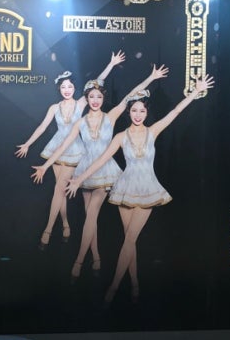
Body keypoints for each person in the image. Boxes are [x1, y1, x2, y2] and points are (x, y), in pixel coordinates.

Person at [66, 75, 214, 306]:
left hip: (147, 189)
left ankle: (114, 287)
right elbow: (100, 160)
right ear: (129, 112)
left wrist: (196, 92)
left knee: (130, 238)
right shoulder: (120, 137)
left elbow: (175, 112)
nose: (137, 114)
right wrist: (78, 180)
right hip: (125, 188)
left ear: (146, 113)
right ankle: (134, 282)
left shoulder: (153, 131)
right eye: (134, 111)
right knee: (129, 240)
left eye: (141, 111)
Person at [32, 64, 168, 281]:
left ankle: (79, 261)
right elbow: (63, 145)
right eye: (92, 97)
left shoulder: (111, 116)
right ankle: (96, 257)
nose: (95, 100)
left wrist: (151, 78)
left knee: (92, 213)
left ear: (103, 99)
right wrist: (45, 166)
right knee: (89, 217)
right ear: (87, 98)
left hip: (106, 170)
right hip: (85, 170)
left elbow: (131, 95)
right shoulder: (80, 122)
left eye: (99, 97)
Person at [16, 52, 125, 249]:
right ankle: (66, 224)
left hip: (75, 150)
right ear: (59, 89)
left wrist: (110, 64)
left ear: (75, 88)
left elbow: (97, 82)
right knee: (60, 191)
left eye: (70, 86)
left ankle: (48, 230)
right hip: (57, 148)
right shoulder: (54, 107)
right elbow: (42, 127)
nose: (67, 90)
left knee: (59, 189)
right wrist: (28, 144)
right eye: (63, 87)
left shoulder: (81, 102)